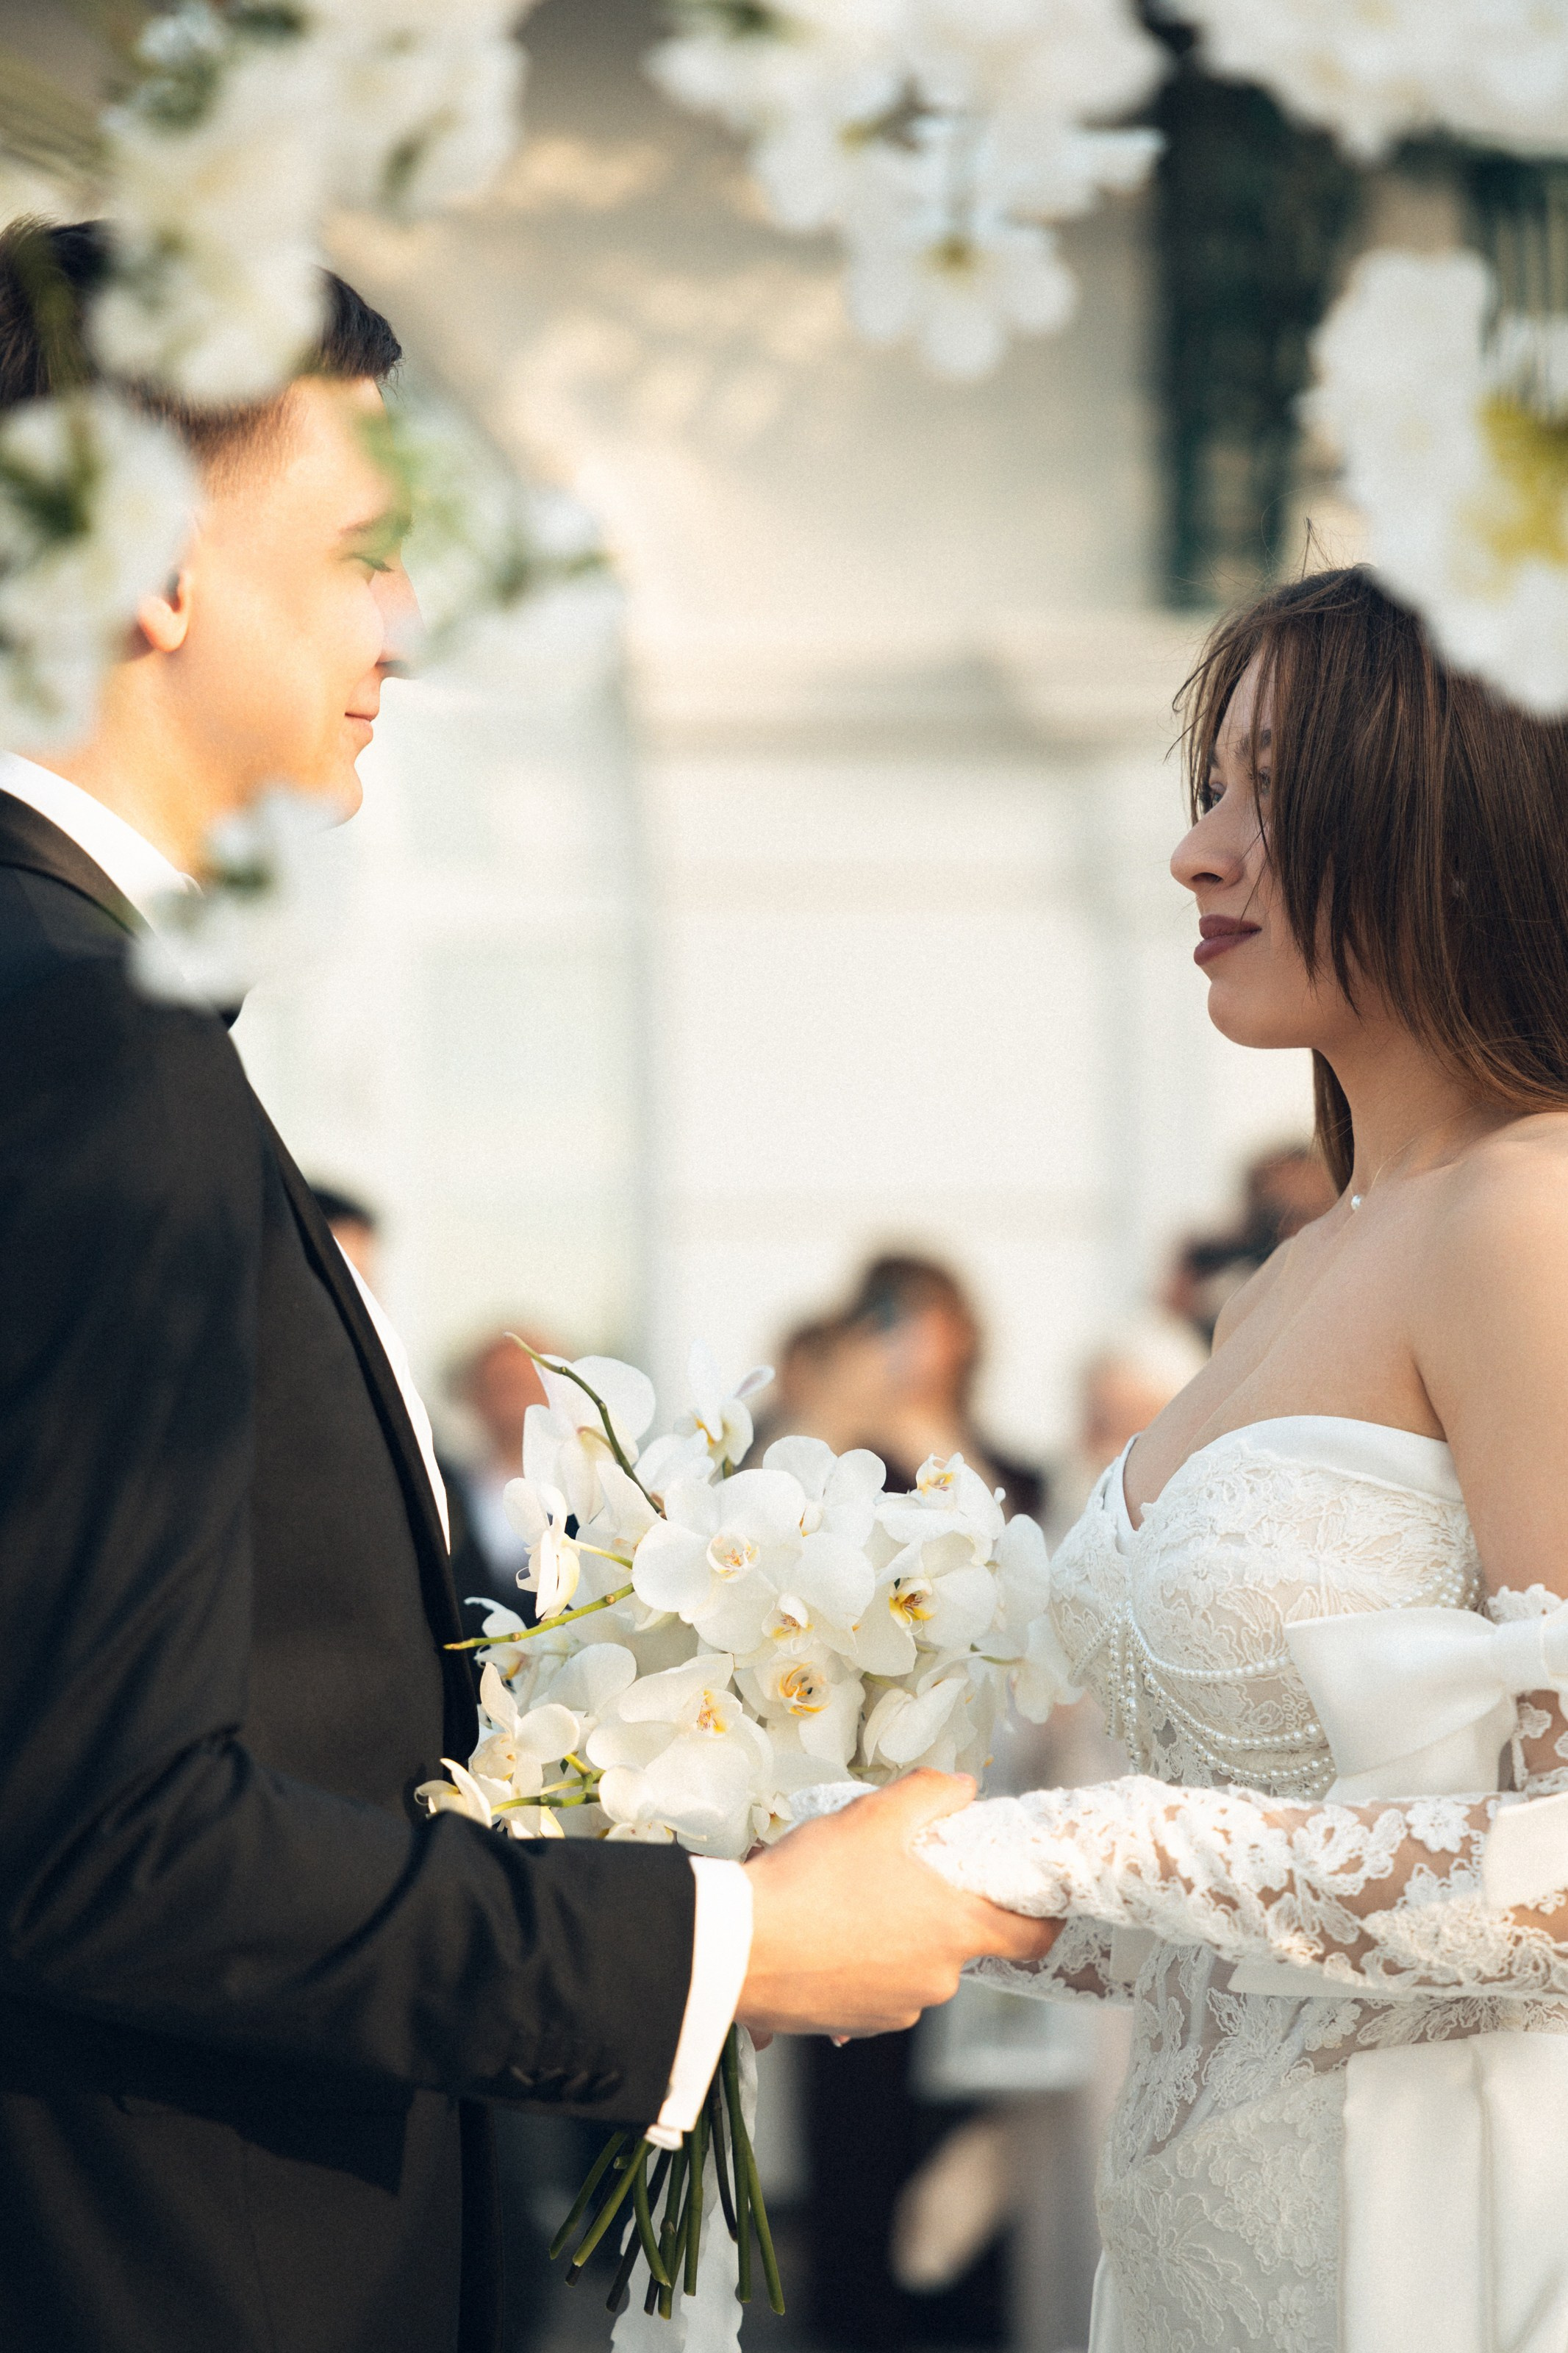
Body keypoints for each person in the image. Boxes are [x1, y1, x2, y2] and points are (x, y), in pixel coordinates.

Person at [0, 218, 1053, 2353]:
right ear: (147, 569)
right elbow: (104, 1832)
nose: (400, 618)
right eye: (360, 551)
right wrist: (722, 1946)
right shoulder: (85, 1045)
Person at [901, 565, 1568, 2352]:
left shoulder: (1530, 1220)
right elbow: (1249, 1917)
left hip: (1446, 2231)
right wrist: (940, 1883)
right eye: (1208, 789)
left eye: (1266, 788)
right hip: (1206, 2245)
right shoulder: (1301, 1261)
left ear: (1452, 815)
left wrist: (1101, 1841)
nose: (1198, 851)